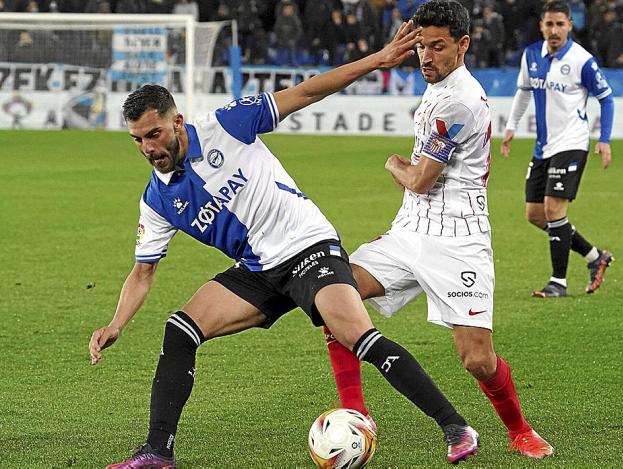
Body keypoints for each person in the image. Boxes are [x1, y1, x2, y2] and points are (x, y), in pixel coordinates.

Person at [89, 22, 479, 468]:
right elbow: (143, 271)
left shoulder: (227, 125)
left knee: (357, 336)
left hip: (308, 246)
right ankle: (158, 453)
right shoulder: (157, 200)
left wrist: (378, 60)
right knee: (180, 330)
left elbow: (307, 92)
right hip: (258, 269)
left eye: (154, 134)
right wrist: (116, 322)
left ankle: (455, 426)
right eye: (137, 140)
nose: (147, 147)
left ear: (176, 121)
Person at [322, 0, 554, 460]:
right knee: (333, 296)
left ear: (463, 45)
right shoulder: (438, 84)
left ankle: (520, 430)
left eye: (438, 47)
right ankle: (356, 415)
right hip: (411, 228)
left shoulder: (459, 100)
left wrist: (393, 163)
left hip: (459, 240)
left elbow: (420, 179)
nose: (426, 57)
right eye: (421, 47)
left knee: (478, 360)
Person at [500, 0, 615, 298]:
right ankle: (594, 256)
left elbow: (607, 98)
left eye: (560, 24)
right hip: (543, 146)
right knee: (535, 214)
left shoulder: (582, 60)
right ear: (541, 26)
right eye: (549, 24)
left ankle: (558, 283)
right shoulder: (531, 56)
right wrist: (511, 126)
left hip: (573, 142)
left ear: (569, 26)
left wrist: (604, 139)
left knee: (553, 209)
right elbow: (523, 92)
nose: (554, 30)